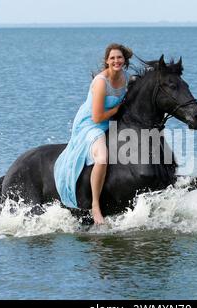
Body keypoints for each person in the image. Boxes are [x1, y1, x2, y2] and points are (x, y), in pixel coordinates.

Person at [54, 43, 133, 225]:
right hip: (90, 125)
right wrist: (118, 108)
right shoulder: (100, 82)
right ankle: (96, 206)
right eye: (112, 58)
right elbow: (97, 117)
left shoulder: (128, 78)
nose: (116, 61)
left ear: (125, 60)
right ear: (107, 61)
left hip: (112, 122)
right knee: (103, 157)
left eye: (119, 57)